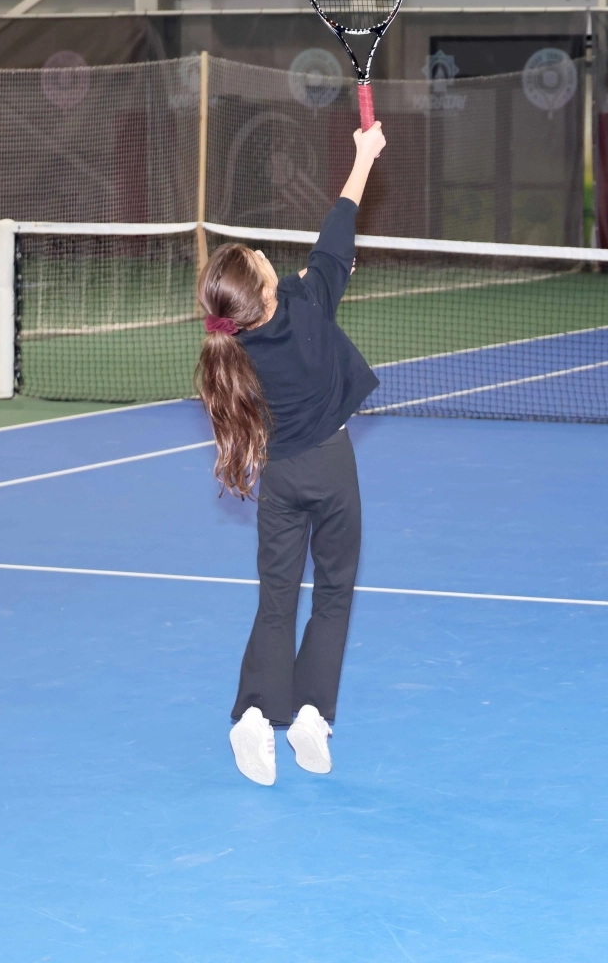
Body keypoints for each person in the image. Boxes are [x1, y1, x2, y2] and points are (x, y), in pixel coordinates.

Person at [195, 122, 387, 786]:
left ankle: (253, 716)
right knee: (332, 592)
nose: (261, 253)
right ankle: (312, 714)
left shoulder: (236, 347)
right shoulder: (310, 304)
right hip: (331, 470)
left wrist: (309, 278)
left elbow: (320, 261)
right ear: (265, 290)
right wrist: (364, 153)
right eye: (256, 258)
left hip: (278, 479)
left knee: (276, 600)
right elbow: (341, 219)